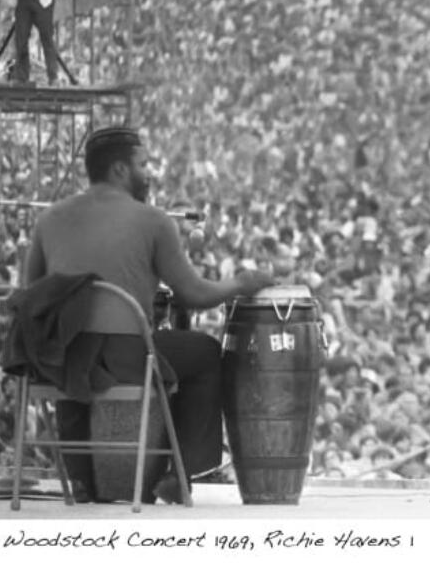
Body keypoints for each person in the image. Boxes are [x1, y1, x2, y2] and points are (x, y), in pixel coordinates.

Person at [23, 126, 275, 503]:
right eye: (144, 164)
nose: (150, 172)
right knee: (204, 353)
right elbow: (193, 294)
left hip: (59, 364)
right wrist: (239, 282)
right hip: (127, 361)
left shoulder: (49, 220)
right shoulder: (154, 221)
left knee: (74, 347)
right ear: (121, 170)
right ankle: (180, 473)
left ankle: (79, 478)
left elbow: (32, 298)